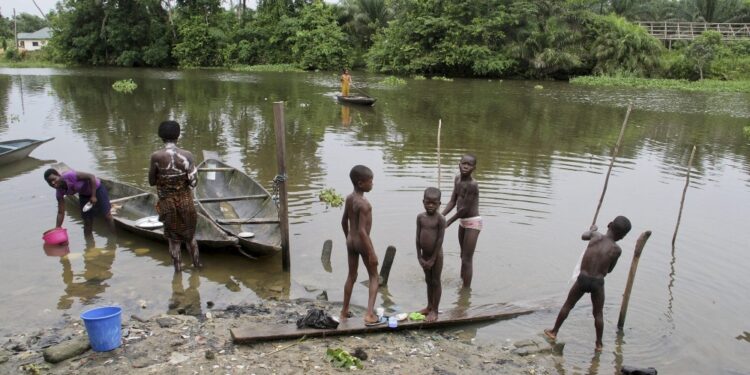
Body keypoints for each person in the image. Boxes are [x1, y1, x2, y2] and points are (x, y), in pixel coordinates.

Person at [544, 216, 632, 352]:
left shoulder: (595, 236)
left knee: (568, 304)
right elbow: (609, 270)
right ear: (622, 236)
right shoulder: (616, 250)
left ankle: (554, 331)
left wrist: (592, 229)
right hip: (597, 283)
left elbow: (583, 236)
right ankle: (599, 344)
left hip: (583, 279)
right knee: (598, 314)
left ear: (609, 225)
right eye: (624, 235)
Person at [149, 120, 201, 273]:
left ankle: (177, 272)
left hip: (167, 203)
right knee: (190, 237)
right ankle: (197, 267)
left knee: (173, 240)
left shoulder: (156, 157)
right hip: (185, 201)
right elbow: (193, 182)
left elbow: (152, 181)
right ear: (178, 136)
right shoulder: (187, 155)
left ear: (161, 137)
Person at [340, 165, 380, 325]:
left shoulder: (349, 198)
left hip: (351, 241)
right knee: (374, 276)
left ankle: (344, 311)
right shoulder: (365, 205)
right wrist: (371, 253)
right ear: (360, 183)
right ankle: (369, 314)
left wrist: (348, 238)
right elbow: (363, 232)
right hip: (362, 242)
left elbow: (344, 221)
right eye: (370, 181)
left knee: (352, 275)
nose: (372, 184)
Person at [442, 154, 481, 289]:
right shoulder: (457, 179)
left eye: (469, 164)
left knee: (467, 259)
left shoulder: (472, 185)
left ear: (474, 168)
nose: (465, 166)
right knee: (462, 257)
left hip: (472, 223)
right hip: (462, 222)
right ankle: (461, 284)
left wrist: (448, 222)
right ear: (459, 164)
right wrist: (441, 215)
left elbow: (464, 209)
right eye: (463, 163)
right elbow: (453, 201)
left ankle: (466, 291)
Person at [44, 168, 114, 235]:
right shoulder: (59, 192)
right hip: (84, 195)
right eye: (49, 182)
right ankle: (89, 244)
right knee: (87, 221)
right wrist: (58, 227)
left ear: (59, 176)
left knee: (107, 215)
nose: (52, 183)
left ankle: (113, 238)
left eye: (54, 179)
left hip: (97, 189)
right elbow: (60, 212)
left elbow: (91, 176)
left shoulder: (70, 175)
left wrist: (93, 196)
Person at [416, 187, 446, 322]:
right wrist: (419, 256)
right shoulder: (420, 217)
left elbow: (440, 240)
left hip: (436, 256)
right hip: (424, 255)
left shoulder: (441, 219)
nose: (431, 206)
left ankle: (435, 310)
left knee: (435, 281)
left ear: (439, 204)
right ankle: (429, 306)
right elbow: (417, 238)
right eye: (428, 202)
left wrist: (433, 259)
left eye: (434, 203)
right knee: (428, 281)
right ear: (423, 202)